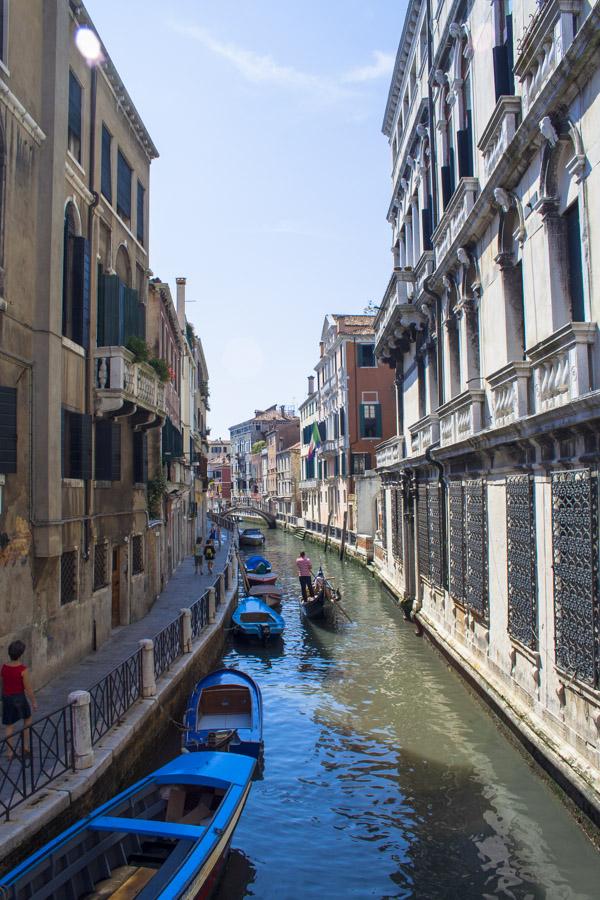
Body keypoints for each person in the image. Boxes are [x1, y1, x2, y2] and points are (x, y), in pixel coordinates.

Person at [2, 640, 37, 762]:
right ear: (20, 654)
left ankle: (9, 753)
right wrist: (33, 702)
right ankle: (25, 748)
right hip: (19, 698)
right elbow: (28, 689)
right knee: (27, 719)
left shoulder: (4, 668)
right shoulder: (23, 670)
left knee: (9, 725)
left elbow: (3, 683)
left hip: (7, 698)